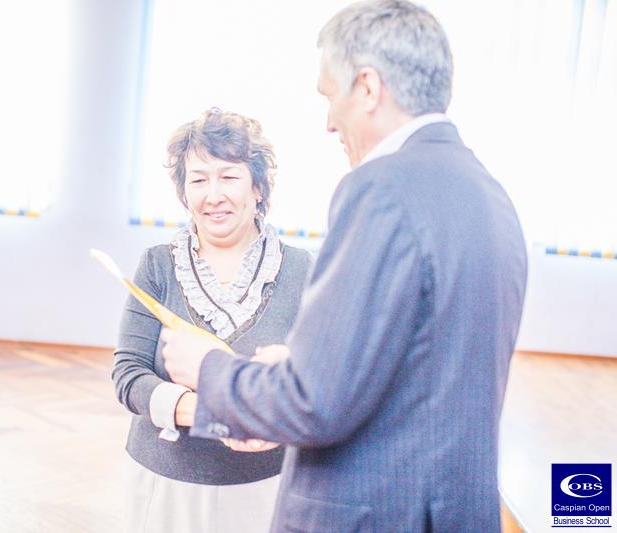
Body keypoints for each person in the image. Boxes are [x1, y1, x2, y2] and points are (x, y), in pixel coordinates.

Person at [161, 2, 528, 531]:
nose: (329, 121)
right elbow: (427, 366)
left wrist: (209, 369)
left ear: (368, 87)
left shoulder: (380, 189)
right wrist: (305, 360)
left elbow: (313, 403)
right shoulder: (488, 193)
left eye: (330, 96)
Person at [112, 108, 312, 532]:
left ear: (258, 187)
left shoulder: (302, 271)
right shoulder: (157, 266)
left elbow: (312, 377)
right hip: (164, 485)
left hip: (266, 488)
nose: (213, 195)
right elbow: (128, 375)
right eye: (199, 180)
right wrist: (210, 411)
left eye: (229, 177)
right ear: (184, 192)